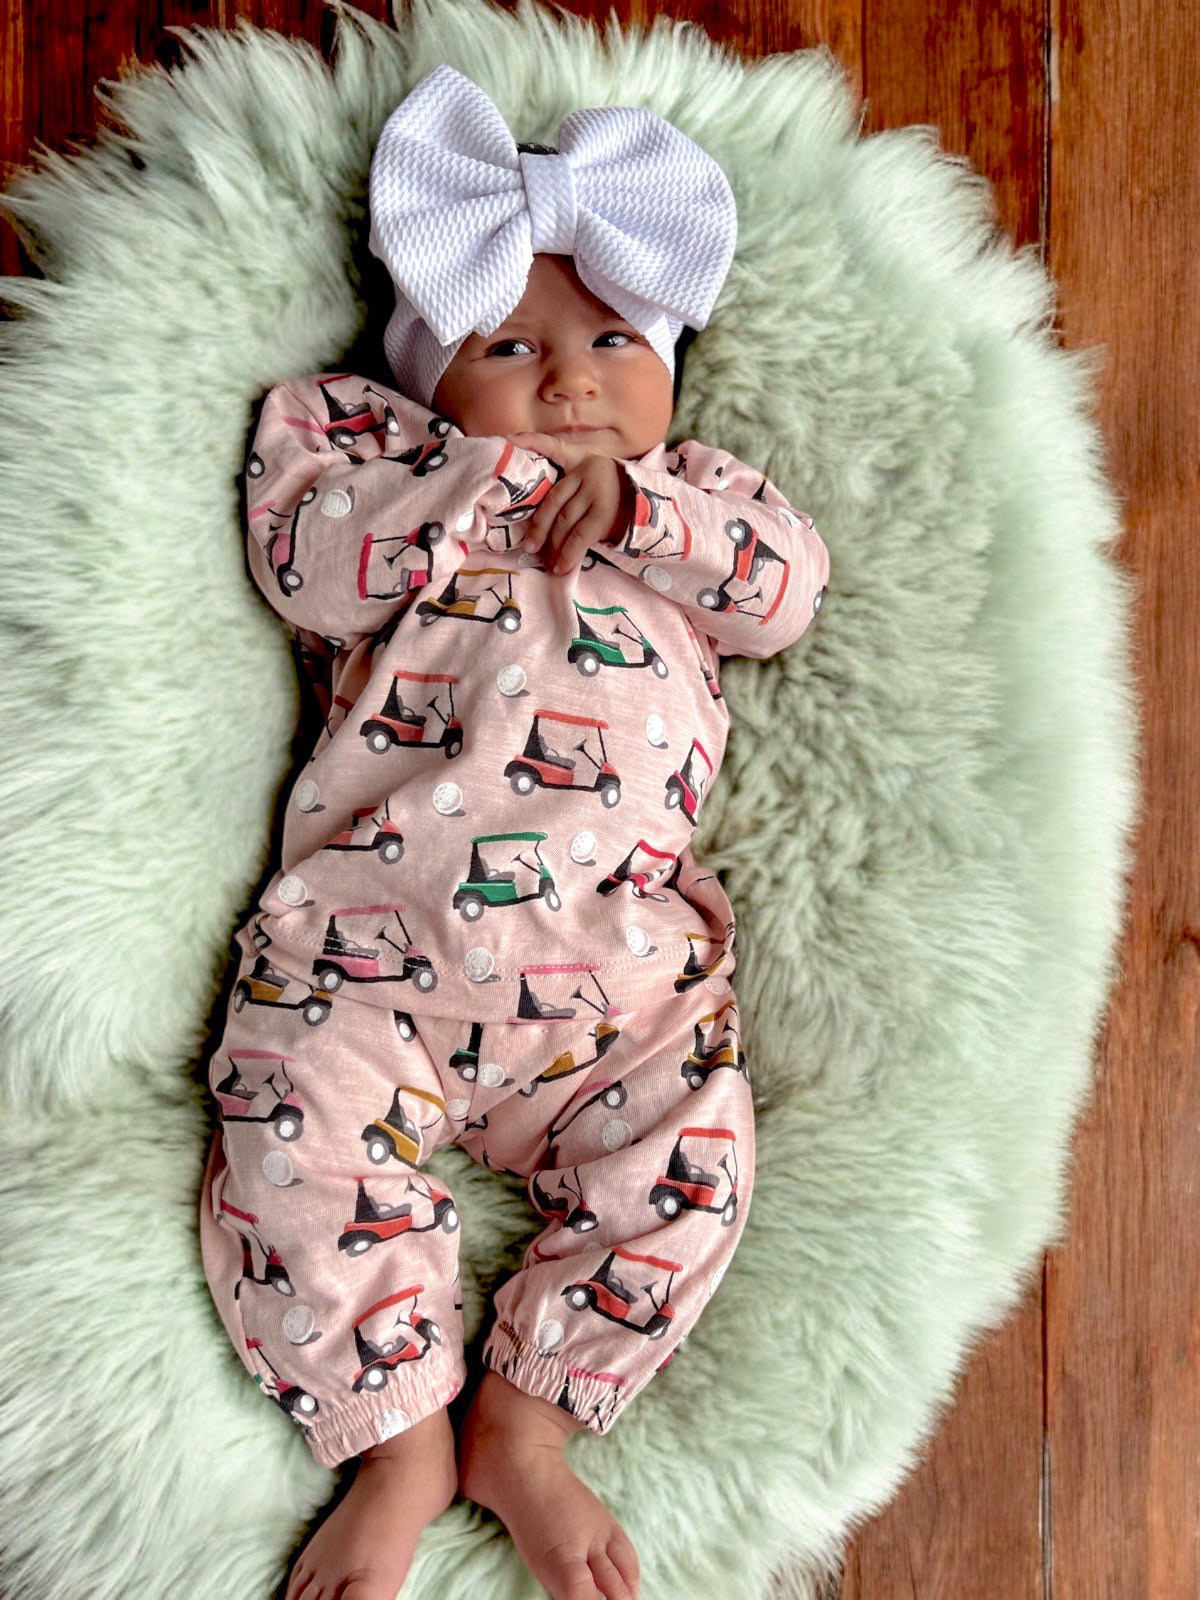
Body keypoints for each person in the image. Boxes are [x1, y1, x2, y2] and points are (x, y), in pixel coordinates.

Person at [199, 63, 829, 1600]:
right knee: (289, 1128)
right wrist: (479, 488)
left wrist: (644, 516)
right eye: (511, 348)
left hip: (616, 985)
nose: (571, 383)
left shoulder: (690, 502)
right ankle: (393, 1432)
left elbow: (788, 589)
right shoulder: (388, 464)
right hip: (377, 950)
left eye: (617, 341)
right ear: (430, 379)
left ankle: (527, 1421)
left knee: (699, 1159)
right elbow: (308, 561)